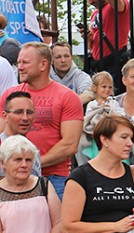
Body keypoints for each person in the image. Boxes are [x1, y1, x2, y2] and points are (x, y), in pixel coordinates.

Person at [6, 43, 83, 201]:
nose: (20, 67)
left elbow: (70, 144)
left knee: (56, 225)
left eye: (25, 62)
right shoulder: (9, 96)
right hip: (11, 180)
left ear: (43, 64)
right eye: (18, 62)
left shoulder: (68, 97)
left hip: (54, 178)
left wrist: (32, 164)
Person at [75, 0, 132, 86]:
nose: (90, 2)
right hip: (97, 65)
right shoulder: (95, 13)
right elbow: (93, 47)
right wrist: (89, 38)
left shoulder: (118, 5)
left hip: (114, 63)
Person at [79, 71, 123, 166]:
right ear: (95, 88)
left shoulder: (114, 103)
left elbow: (119, 117)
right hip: (94, 135)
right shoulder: (92, 104)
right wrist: (99, 109)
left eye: (110, 87)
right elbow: (89, 120)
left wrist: (109, 111)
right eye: (104, 87)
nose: (107, 90)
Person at [1, 92, 40, 178]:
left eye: (29, 112)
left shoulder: (32, 148)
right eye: (18, 112)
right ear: (5, 116)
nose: (25, 118)